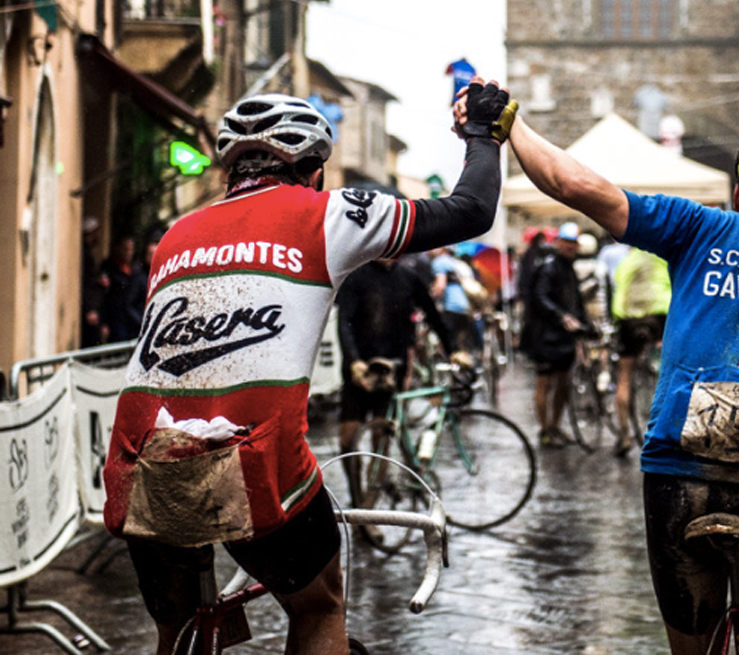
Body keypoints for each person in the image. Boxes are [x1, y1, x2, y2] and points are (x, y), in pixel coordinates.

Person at [103, 81, 517, 655]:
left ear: (230, 170)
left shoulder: (174, 236)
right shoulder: (328, 213)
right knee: (320, 605)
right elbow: (470, 210)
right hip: (255, 460)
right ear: (314, 169)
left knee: (180, 631)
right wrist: (482, 132)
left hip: (141, 456)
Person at [494, 113, 739, 655]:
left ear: (737, 190)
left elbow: (573, 184)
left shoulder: (697, 228)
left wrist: (510, 122)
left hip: (680, 470)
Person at [336, 256, 469, 510]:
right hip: (360, 370)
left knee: (381, 438)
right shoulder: (356, 276)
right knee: (348, 440)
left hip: (392, 369)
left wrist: (452, 349)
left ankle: (367, 510)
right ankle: (357, 498)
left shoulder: (407, 277)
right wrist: (353, 361)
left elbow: (431, 313)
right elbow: (345, 322)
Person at [521, 221, 588, 448]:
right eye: (567, 242)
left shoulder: (568, 269)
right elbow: (540, 298)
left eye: (574, 243)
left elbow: (576, 301)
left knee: (562, 383)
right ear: (558, 243)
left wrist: (584, 324)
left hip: (563, 336)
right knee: (545, 383)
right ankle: (545, 429)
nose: (571, 247)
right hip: (545, 336)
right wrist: (562, 317)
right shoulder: (549, 267)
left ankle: (555, 426)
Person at [610, 246, 670, 458]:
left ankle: (624, 435)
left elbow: (617, 285)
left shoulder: (627, 260)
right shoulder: (661, 256)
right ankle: (666, 433)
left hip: (628, 319)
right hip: (658, 316)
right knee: (668, 373)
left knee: (624, 376)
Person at [99, 234, 148, 342]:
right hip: (115, 317)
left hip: (130, 320)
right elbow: (104, 296)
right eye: (125, 249)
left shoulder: (135, 269)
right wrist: (104, 321)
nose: (128, 253)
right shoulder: (109, 268)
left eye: (131, 249)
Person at [80, 216, 107, 348]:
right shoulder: (84, 254)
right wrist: (90, 308)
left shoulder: (88, 252)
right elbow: (86, 281)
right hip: (90, 307)